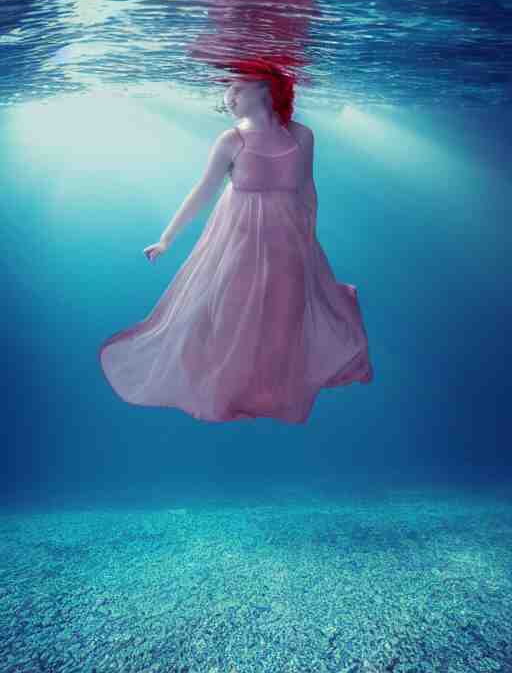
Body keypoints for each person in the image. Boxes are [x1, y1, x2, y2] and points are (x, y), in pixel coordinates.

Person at [98, 60, 373, 424]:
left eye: (238, 88)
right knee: (230, 318)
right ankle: (224, 394)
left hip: (289, 244)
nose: (229, 95)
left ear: (266, 89)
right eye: (230, 88)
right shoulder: (232, 140)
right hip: (236, 245)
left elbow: (308, 188)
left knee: (284, 320)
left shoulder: (302, 136)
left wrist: (309, 239)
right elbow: (203, 191)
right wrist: (166, 239)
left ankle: (270, 394)